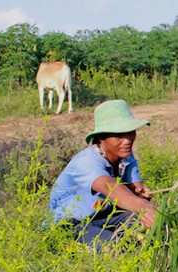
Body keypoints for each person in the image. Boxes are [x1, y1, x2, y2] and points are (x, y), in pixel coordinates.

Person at [49, 99, 156, 252]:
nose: (127, 140)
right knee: (114, 247)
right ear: (101, 138)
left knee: (145, 226)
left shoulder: (126, 156)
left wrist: (141, 194)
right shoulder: (87, 162)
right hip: (71, 224)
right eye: (119, 136)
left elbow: (135, 190)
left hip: (104, 216)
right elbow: (112, 188)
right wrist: (142, 206)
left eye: (130, 133)